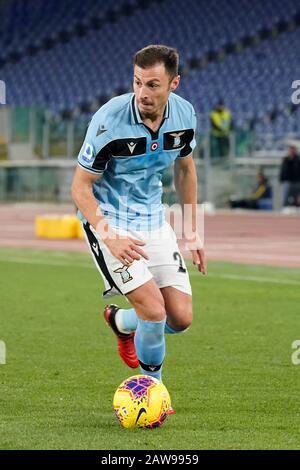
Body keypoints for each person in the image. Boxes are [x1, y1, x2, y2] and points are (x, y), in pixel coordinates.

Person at [71, 45, 206, 396]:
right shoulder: (108, 120)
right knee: (153, 310)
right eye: (137, 82)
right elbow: (80, 187)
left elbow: (186, 169)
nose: (142, 93)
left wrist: (191, 231)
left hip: (153, 220)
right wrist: (109, 236)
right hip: (110, 223)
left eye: (153, 85)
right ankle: (151, 391)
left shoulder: (185, 116)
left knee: (181, 319)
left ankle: (119, 321)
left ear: (173, 83)